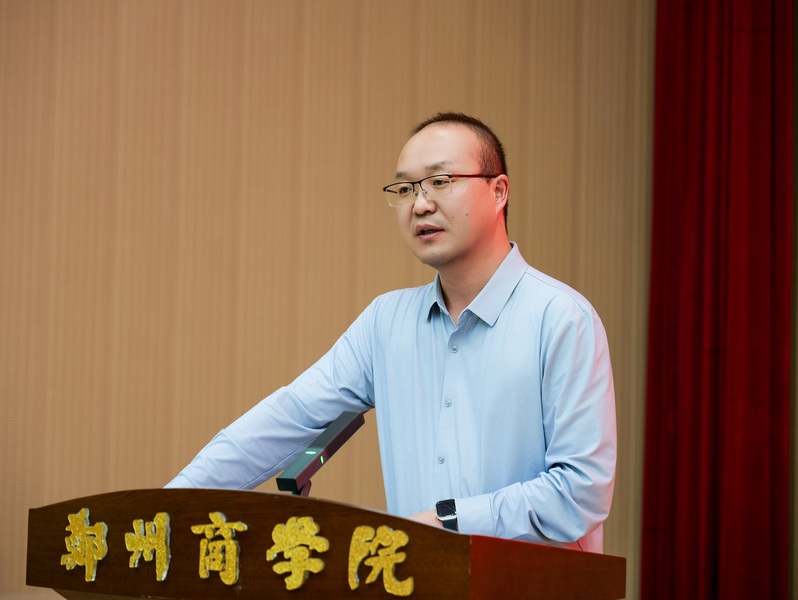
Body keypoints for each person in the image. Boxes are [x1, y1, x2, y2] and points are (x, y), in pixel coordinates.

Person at [166, 112, 616, 552]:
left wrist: (445, 522)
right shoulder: (386, 322)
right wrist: (164, 509)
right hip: (420, 581)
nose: (420, 204)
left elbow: (580, 493)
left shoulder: (562, 319)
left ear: (498, 191)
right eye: (405, 189)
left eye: (440, 181)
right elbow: (289, 418)